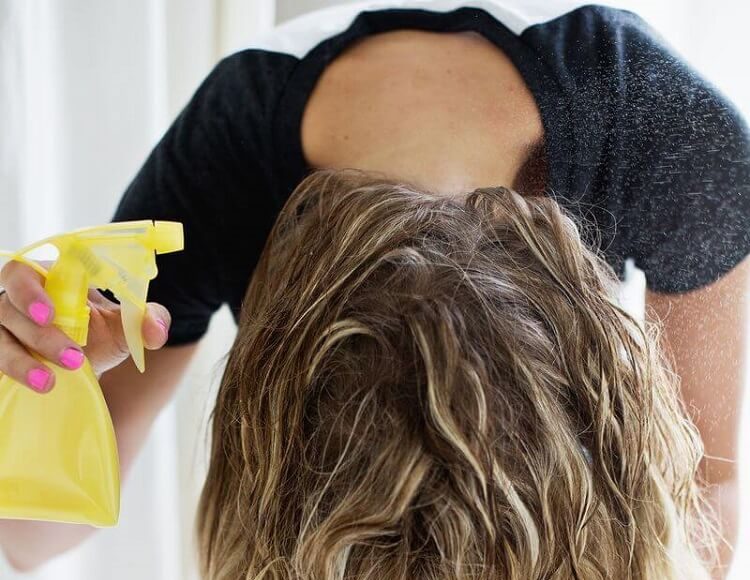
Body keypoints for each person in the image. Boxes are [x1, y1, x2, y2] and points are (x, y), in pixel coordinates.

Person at [0, 0, 747, 577]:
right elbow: (30, 541)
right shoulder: (214, 175)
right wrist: (35, 392)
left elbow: (706, 496)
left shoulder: (680, 149)